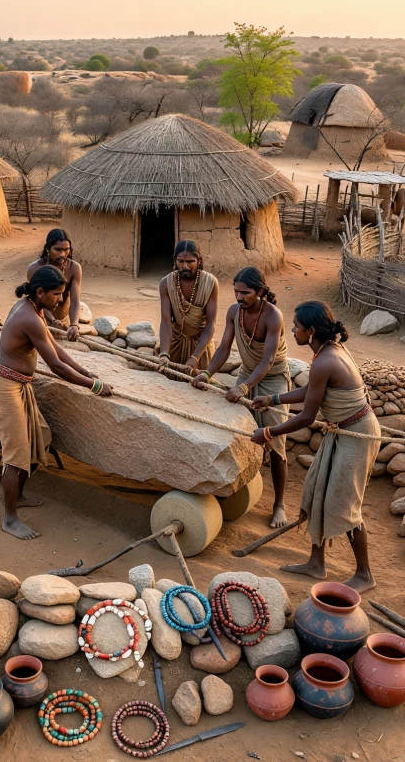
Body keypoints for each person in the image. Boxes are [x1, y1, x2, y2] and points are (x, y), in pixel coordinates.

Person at [249, 302, 379, 590]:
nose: (292, 330)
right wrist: (272, 400)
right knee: (318, 489)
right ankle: (316, 564)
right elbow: (311, 391)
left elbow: (307, 417)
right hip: (343, 431)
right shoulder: (329, 351)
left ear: (310, 331)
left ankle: (365, 575)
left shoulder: (324, 360)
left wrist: (268, 432)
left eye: (296, 326)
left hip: (357, 435)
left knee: (345, 503)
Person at [0, 265, 110, 539]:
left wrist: (85, 371)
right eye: (56, 294)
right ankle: (9, 519)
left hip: (18, 384)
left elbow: (56, 348)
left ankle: (18, 496)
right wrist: (93, 385)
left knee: (37, 437)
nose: (60, 300)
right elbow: (54, 364)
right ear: (40, 292)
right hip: (5, 387)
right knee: (15, 455)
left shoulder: (34, 309)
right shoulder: (29, 316)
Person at [192, 267, 291, 528]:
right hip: (247, 375)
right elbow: (224, 347)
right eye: (235, 291)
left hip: (272, 382)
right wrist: (206, 373)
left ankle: (279, 504)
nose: (238, 296)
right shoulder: (234, 312)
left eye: (245, 292)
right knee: (238, 433)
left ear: (260, 292)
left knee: (276, 443)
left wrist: (244, 389)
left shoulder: (273, 316)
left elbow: (268, 360)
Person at [156, 240, 218, 370]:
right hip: (176, 341)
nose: (185, 266)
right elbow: (166, 321)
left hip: (200, 346)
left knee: (197, 380)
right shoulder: (166, 283)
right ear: (175, 260)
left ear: (199, 260)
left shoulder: (210, 283)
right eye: (180, 261)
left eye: (190, 262)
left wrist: (195, 357)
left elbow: (210, 325)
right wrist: (164, 354)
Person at [26, 228, 83, 340]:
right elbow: (37, 300)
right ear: (48, 248)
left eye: (66, 250)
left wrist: (74, 325)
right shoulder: (35, 268)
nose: (62, 254)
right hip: (39, 318)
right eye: (57, 249)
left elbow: (75, 301)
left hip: (62, 321)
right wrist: (52, 320)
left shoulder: (74, 268)